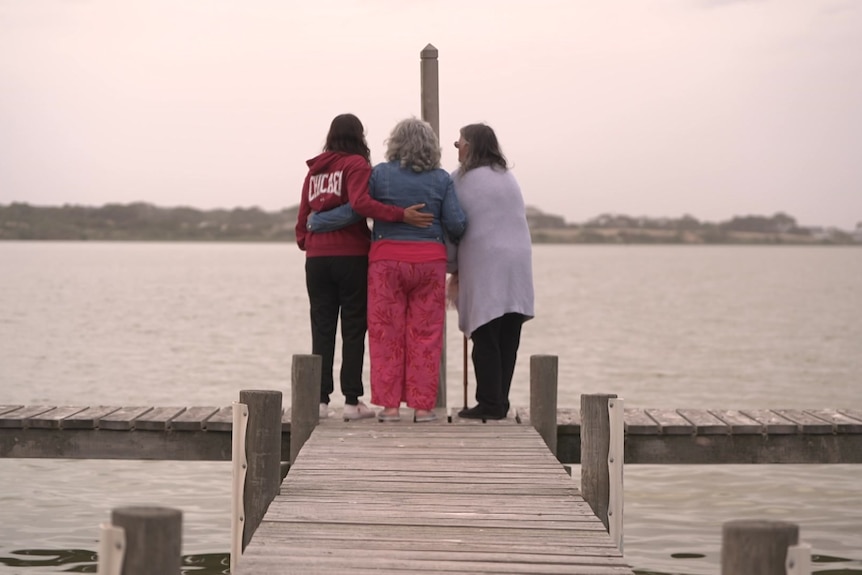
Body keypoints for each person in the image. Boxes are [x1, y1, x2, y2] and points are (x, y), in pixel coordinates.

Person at [311, 117, 467, 423]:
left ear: (393, 143)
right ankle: (422, 408)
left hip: (386, 262)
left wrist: (318, 221)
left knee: (386, 334)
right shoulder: (441, 179)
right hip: (429, 263)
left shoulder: (379, 175)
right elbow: (457, 223)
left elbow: (356, 208)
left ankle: (390, 407)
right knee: (426, 334)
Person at [294, 113, 431, 421]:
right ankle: (353, 401)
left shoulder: (314, 172)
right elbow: (360, 204)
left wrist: (308, 242)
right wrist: (400, 215)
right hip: (351, 256)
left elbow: (303, 215)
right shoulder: (356, 165)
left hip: (316, 260)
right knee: (354, 328)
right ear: (359, 136)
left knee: (322, 327)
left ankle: (319, 401)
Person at [449, 123, 534, 420]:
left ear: (471, 145)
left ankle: (489, 403)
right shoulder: (507, 177)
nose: (455, 146)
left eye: (459, 142)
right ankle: (500, 400)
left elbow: (451, 222)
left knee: (484, 333)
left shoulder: (460, 179)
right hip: (518, 263)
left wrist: (449, 265)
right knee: (508, 334)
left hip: (486, 263)